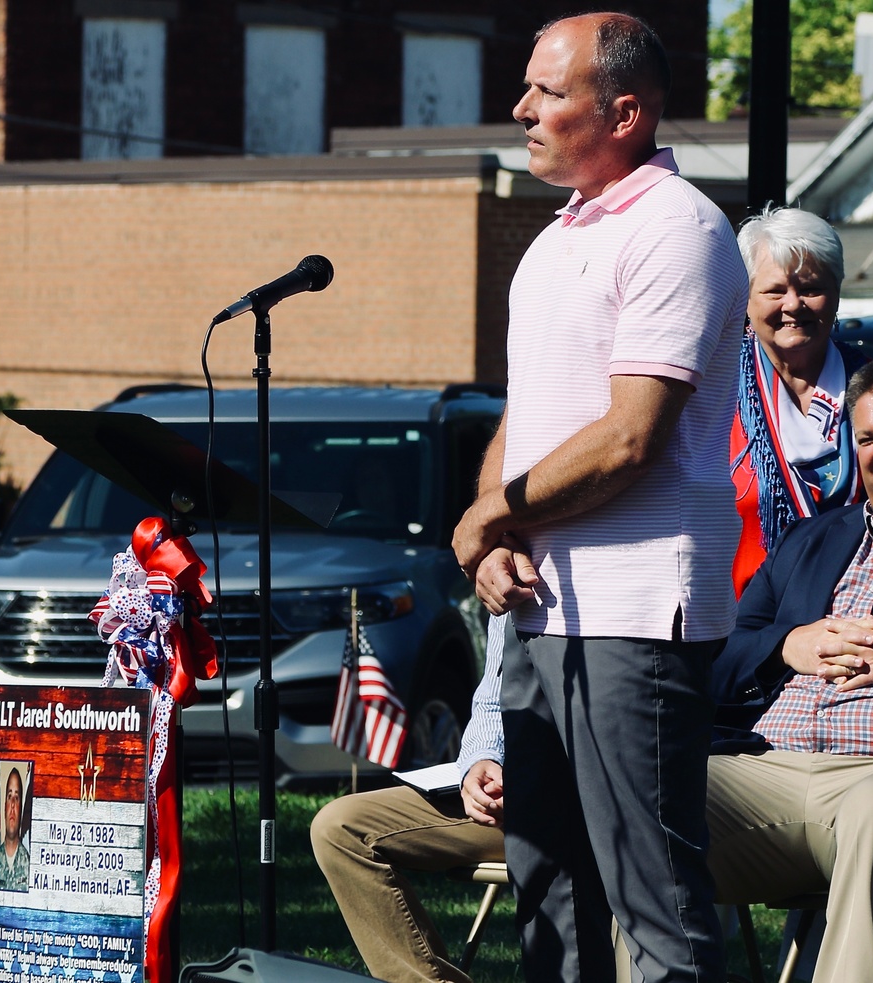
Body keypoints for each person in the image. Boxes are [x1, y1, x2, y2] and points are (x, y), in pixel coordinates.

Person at [452, 12, 747, 982]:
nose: (520, 108)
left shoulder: (679, 228)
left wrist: (492, 516)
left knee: (652, 897)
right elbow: (528, 415)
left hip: (635, 612)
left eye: (548, 91)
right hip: (543, 606)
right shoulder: (555, 238)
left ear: (623, 111)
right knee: (549, 886)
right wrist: (496, 525)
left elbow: (630, 435)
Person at [708, 355, 873, 983]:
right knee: (650, 794)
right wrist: (785, 644)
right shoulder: (811, 541)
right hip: (768, 765)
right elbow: (718, 661)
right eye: (869, 437)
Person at [311, 616, 507, 983]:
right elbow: (493, 703)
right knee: (340, 827)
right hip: (510, 803)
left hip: (598, 803)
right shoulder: (509, 580)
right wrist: (483, 760)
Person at [730, 205, 867, 597]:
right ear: (747, 298)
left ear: (837, 293)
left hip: (855, 623)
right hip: (736, 632)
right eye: (774, 290)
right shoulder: (710, 390)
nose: (793, 305)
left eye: (811, 288)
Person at [0, 765, 30, 892]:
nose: (13, 804)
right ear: (4, 807)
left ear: (21, 809)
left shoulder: (30, 863)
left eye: (17, 798)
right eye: (9, 797)